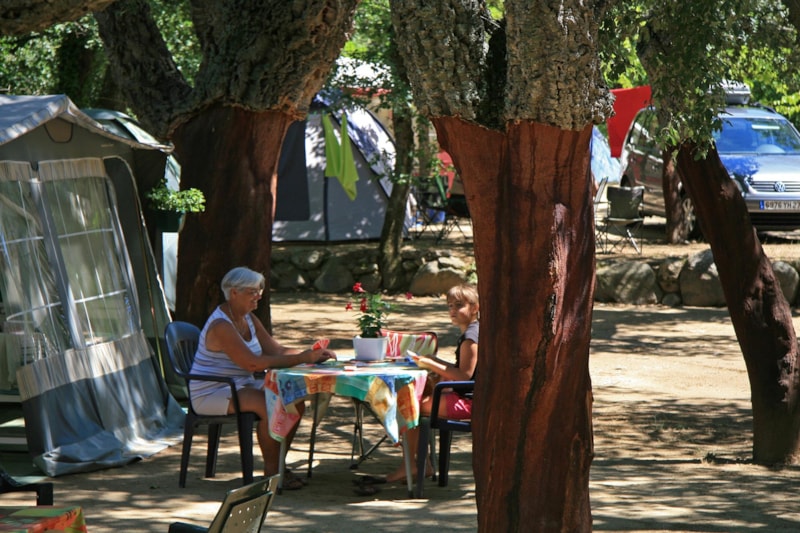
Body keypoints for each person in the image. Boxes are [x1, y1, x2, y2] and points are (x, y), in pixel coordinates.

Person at [189, 266, 336, 490]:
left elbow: (276, 350)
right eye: (252, 291)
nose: (258, 295)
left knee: (295, 401)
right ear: (233, 293)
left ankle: (277, 465)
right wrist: (302, 358)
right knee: (271, 406)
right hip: (212, 391)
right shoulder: (221, 325)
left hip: (240, 385)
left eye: (259, 290)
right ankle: (272, 474)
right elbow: (252, 363)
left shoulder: (248, 318)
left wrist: (311, 354)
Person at [384, 283, 479, 484]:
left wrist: (429, 364)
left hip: (468, 401)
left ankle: (410, 465)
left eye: (459, 305)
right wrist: (434, 361)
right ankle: (422, 464)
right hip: (464, 396)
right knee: (415, 398)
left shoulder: (471, 338)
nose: (452, 310)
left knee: (407, 406)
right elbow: (460, 369)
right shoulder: (471, 332)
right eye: (449, 306)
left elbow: (464, 376)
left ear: (475, 308)